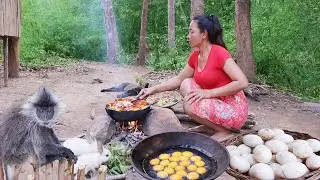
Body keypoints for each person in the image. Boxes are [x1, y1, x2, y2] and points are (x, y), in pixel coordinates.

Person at [137, 15, 249, 142]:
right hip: (216, 102)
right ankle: (211, 126)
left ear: (204, 34)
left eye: (191, 32)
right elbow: (178, 80)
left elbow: (242, 82)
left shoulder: (219, 52)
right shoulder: (196, 55)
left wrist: (209, 93)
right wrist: (153, 89)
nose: (188, 36)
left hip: (233, 109)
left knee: (189, 105)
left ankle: (225, 131)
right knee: (186, 83)